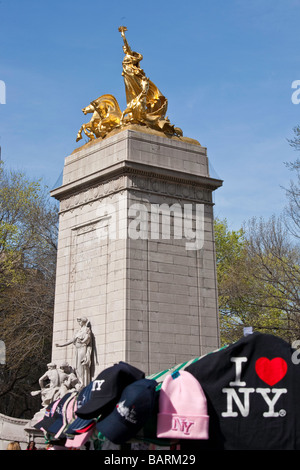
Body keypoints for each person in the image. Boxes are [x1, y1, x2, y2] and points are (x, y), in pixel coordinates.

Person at [56, 317, 92, 388]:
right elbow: (71, 340)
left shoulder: (87, 330)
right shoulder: (78, 331)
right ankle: (79, 383)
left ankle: (83, 384)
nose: (79, 323)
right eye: (78, 321)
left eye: (80, 321)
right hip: (77, 350)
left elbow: (87, 338)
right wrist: (61, 345)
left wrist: (82, 341)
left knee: (81, 367)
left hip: (82, 349)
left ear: (83, 322)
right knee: (76, 367)